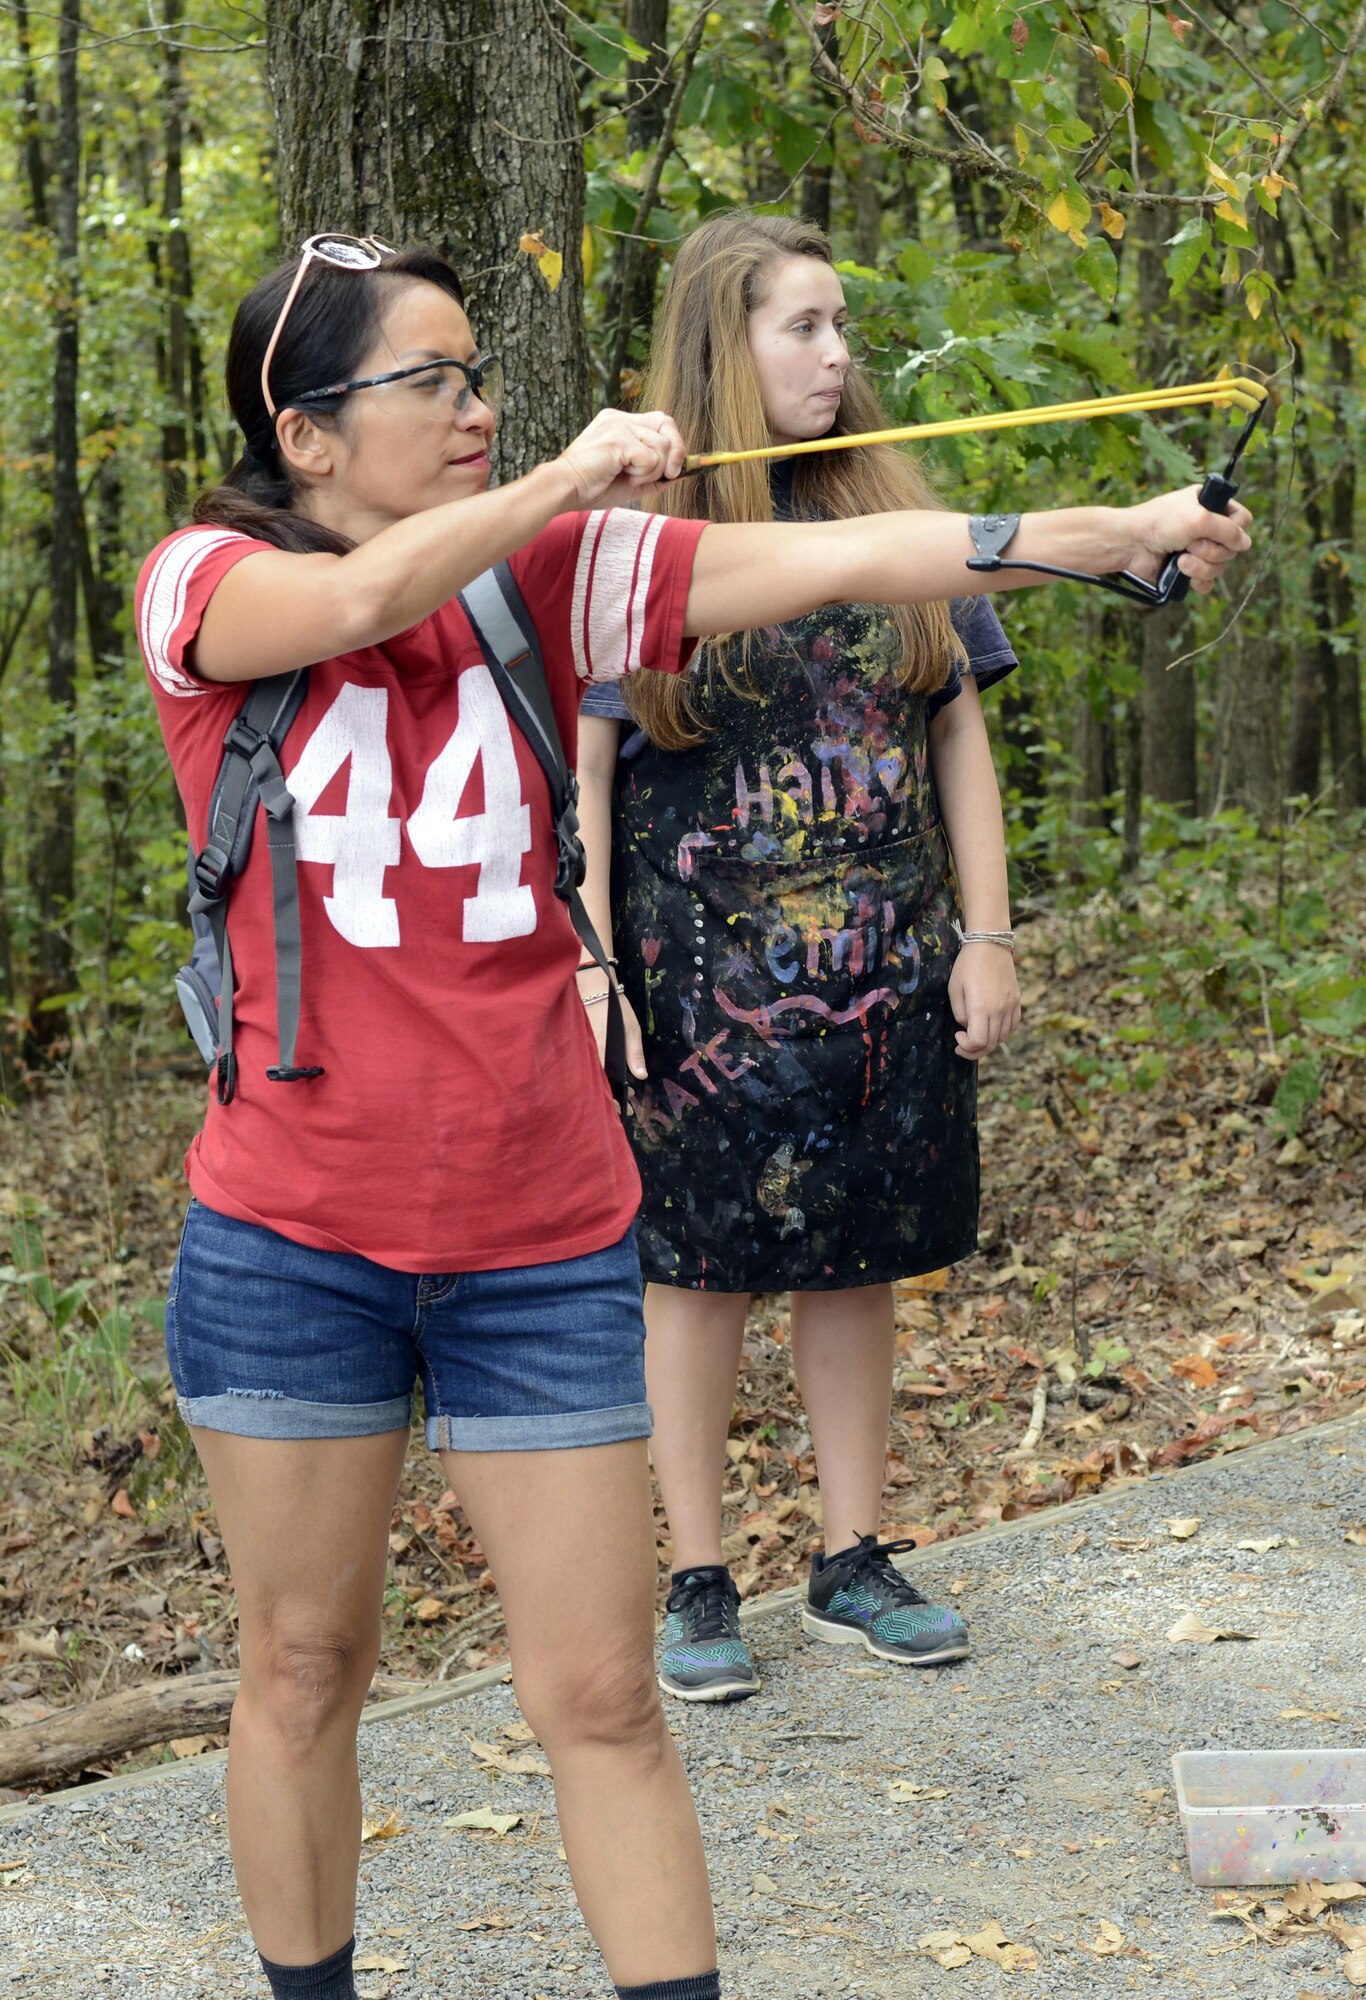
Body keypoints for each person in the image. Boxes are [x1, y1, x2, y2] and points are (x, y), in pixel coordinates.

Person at [134, 231, 1250, 2000]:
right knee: (299, 1665)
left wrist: (1105, 537)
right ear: (308, 434)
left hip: (544, 1232)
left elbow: (843, 552)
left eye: (482, 375)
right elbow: (351, 609)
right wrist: (571, 477)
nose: (479, 408)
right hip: (291, 1237)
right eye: (434, 383)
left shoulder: (561, 574)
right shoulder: (199, 581)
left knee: (597, 1694)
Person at [577, 211, 1031, 1701]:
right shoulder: (638, 547)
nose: (837, 358)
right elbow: (584, 762)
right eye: (802, 328)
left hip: (888, 970)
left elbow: (955, 724)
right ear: (726, 341)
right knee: (693, 1272)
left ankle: (851, 1555)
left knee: (860, 1258)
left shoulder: (898, 514)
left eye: (844, 329)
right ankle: (700, 1581)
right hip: (695, 989)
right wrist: (591, 966)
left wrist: (987, 933)